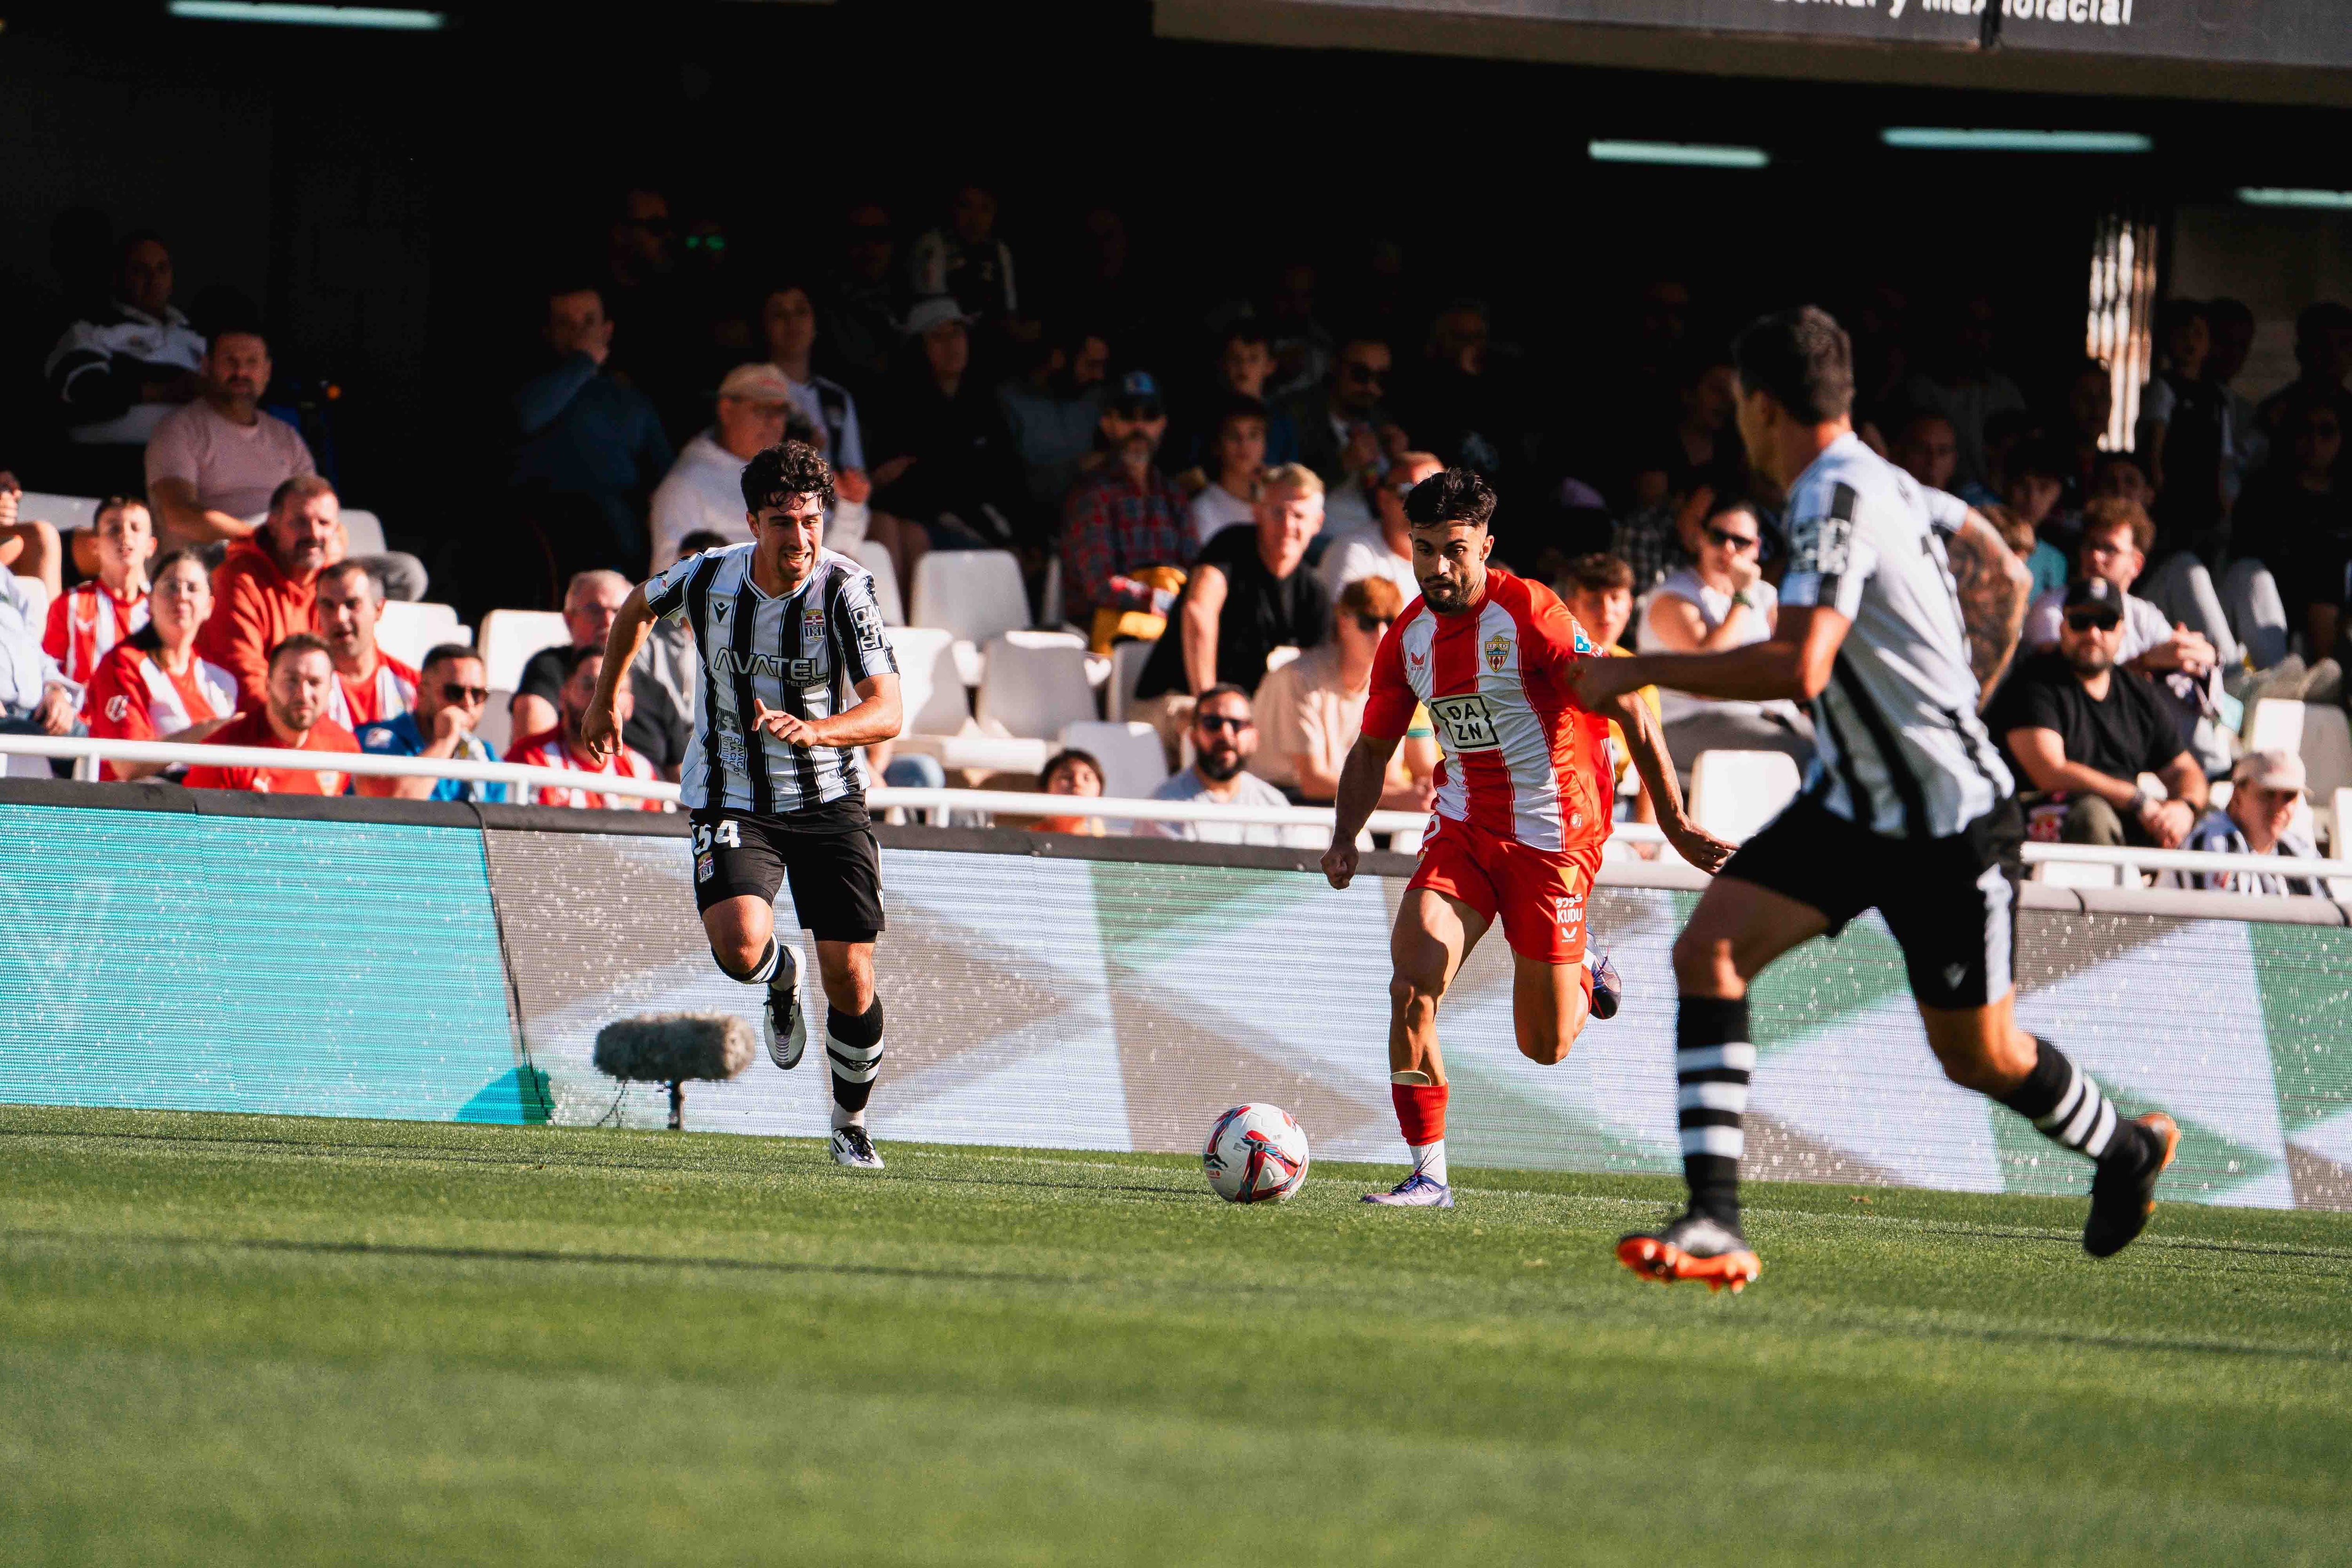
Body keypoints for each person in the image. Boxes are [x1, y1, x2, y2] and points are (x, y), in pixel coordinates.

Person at [1567, 305, 2169, 1291]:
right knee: (1707, 949)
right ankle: (1715, 1218)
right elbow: (2005, 573)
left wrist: (1638, 670)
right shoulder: (1887, 480)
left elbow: (1802, 666)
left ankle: (2123, 1153)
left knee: (1981, 1054)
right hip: (1855, 804)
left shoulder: (1827, 495)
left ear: (1762, 407)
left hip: (1945, 821)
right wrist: (1941, 691)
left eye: (1738, 409)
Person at [1323, 468, 1732, 1210]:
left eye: (1454, 549)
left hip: (1554, 838)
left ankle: (1583, 968)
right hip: (1464, 829)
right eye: (1422, 550)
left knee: (1544, 1048)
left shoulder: (1532, 615)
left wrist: (1674, 823)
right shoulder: (1408, 638)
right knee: (1411, 983)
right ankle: (1429, 1175)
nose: (1437, 567)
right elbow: (1372, 750)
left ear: (1486, 544)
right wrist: (1346, 835)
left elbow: (1633, 707)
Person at [585, 439, 905, 1172]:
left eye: (811, 521)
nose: (801, 540)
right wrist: (606, 699)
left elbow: (887, 710)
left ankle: (850, 1122)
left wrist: (820, 730)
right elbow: (638, 602)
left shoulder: (846, 591)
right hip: (732, 792)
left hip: (828, 798)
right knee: (737, 948)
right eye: (783, 523)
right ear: (753, 522)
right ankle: (777, 976)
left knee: (853, 977)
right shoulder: (708, 578)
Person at [1992, 578, 2208, 850]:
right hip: (2040, 819)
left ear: (2122, 631)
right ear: (2062, 628)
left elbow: (2184, 770)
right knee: (2093, 816)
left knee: (2209, 829)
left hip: (2125, 819)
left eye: (2105, 623)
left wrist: (2184, 808)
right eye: (2081, 621)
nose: (2093, 634)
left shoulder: (2138, 692)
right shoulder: (2034, 683)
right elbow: (2049, 771)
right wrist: (2136, 798)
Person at [1134, 464, 1334, 756]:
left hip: (1251, 721)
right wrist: (1211, 710)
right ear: (1257, 512)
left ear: (1318, 523)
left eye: (1300, 516)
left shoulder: (1312, 593)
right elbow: (1198, 611)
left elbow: (1318, 675)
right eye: (1278, 512)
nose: (1288, 526)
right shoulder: (1229, 546)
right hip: (1175, 702)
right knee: (1216, 730)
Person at [1634, 494, 1814, 774]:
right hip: (1691, 722)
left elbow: (1789, 661)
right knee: (1805, 759)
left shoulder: (1766, 595)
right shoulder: (1671, 597)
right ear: (1701, 539)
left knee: (1838, 752)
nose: (1728, 549)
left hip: (1771, 716)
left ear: (1756, 548)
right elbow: (1709, 670)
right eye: (1718, 537)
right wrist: (1742, 596)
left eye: (1740, 542)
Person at [511, 283, 675, 578]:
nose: (579, 333)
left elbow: (666, 473)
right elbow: (527, 417)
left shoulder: (630, 397)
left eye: (589, 321)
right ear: (548, 332)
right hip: (546, 532)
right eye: (565, 323)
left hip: (621, 536)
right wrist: (584, 363)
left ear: (607, 330)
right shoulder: (529, 384)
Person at [43, 230, 207, 494]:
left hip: (190, 468)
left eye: (162, 269)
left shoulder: (196, 337)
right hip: (108, 467)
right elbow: (84, 391)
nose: (153, 280)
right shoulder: (90, 331)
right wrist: (167, 391)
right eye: (140, 271)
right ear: (118, 277)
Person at [1252, 575, 1433, 809]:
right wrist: (1397, 799)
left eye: (1391, 621)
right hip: (1278, 800)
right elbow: (1312, 781)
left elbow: (1389, 777)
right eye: (1368, 622)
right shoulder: (1300, 678)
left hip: (1342, 802)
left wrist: (1423, 795)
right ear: (1343, 622)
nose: (1381, 633)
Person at [868, 297, 1027, 555]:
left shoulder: (986, 404)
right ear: (920, 348)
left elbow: (1008, 477)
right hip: (932, 526)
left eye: (957, 333)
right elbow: (904, 487)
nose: (951, 345)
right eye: (938, 337)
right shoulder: (901, 410)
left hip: (993, 532)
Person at [144, 324, 315, 550]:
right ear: (207, 367)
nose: (241, 372)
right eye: (229, 361)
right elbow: (179, 515)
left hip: (284, 562)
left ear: (267, 371)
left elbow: (320, 508)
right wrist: (262, 542)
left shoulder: (287, 437)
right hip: (211, 571)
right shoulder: (179, 430)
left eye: (252, 362)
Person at [511, 570, 691, 779]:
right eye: (594, 610)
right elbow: (534, 760)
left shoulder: (655, 690)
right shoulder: (549, 668)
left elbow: (682, 781)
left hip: (650, 805)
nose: (608, 621)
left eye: (620, 611)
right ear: (569, 620)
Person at [81, 548, 238, 781]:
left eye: (192, 589)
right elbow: (126, 765)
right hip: (132, 809)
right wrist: (204, 734)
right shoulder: (124, 664)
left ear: (209, 606)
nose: (181, 596)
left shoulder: (222, 678)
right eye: (171, 587)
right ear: (150, 601)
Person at [1061, 371, 1189, 647]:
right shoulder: (1091, 494)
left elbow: (1193, 567)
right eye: (1128, 415)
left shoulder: (1174, 495)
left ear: (1163, 424)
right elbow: (1100, 584)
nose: (1139, 426)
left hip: (1169, 626)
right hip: (1101, 635)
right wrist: (1162, 600)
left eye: (1150, 415)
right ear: (1108, 425)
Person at [196, 475, 338, 710]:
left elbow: (355, 667)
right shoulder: (238, 581)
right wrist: (297, 731)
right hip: (258, 727)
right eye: (301, 522)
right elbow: (242, 678)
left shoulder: (335, 585)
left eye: (324, 523)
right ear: (273, 525)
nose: (314, 534)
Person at [649, 362, 794, 570]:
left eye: (780, 411)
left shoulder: (787, 473)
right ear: (726, 410)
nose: (774, 422)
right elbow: (667, 585)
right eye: (762, 409)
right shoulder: (687, 484)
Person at [1557, 552, 1663, 836]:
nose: (1606, 613)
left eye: (1615, 599)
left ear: (1630, 605)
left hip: (1618, 812)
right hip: (1556, 810)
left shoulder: (1639, 676)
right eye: (1593, 601)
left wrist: (1646, 834)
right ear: (1570, 606)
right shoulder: (1550, 666)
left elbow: (1651, 766)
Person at [1137, 685, 1319, 849]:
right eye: (1213, 724)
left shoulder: (1274, 805)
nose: (1225, 734)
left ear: (1254, 738)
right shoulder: (1163, 808)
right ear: (1193, 737)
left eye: (1236, 724)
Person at [181, 633, 361, 795]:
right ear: (268, 684)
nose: (303, 694)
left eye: (315, 683)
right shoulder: (223, 754)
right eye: (291, 680)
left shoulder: (343, 748)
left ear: (330, 688)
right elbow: (201, 829)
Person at [509, 647, 661, 811]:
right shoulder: (529, 759)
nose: (602, 700)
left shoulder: (640, 772)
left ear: (630, 705)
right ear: (563, 695)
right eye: (590, 686)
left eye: (615, 689)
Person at [356, 642, 507, 804]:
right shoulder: (380, 741)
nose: (468, 703)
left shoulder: (487, 756)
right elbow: (392, 809)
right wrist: (444, 742)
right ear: (422, 693)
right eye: (454, 692)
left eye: (478, 694)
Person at [2169, 748, 2322, 896]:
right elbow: (2222, 921)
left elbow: (2328, 915)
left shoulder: (2297, 850)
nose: (2278, 807)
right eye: (2268, 794)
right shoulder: (2210, 843)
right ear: (2237, 796)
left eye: (2289, 796)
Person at [999, 321, 1110, 514]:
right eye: (1091, 365)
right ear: (1058, 358)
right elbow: (1011, 488)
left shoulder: (1094, 398)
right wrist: (1077, 468)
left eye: (1102, 366)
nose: (1099, 375)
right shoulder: (1008, 403)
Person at [42, 496, 152, 685]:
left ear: (151, 546)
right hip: (83, 713)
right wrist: (56, 693)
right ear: (94, 545)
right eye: (114, 529)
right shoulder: (70, 603)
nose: (125, 536)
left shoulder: (161, 609)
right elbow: (47, 668)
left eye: (135, 528)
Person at [1317, 451, 1440, 604]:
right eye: (1409, 492)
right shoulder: (1352, 553)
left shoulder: (1460, 560)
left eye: (1436, 494)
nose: (1423, 503)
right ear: (1382, 499)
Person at [1285, 333, 1393, 496]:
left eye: (1382, 378)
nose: (1371, 387)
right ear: (1335, 366)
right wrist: (1341, 465)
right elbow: (1281, 490)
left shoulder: (1384, 423)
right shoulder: (1295, 416)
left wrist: (1399, 463)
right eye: (1360, 374)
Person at [314, 562, 417, 731]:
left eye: (352, 604)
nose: (339, 617)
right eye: (328, 605)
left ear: (379, 609)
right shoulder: (302, 687)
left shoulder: (412, 688)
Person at [1183, 398, 1267, 554]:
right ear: (1217, 446)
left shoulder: (1274, 504)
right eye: (1233, 436)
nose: (1244, 444)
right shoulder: (1203, 509)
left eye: (1254, 435)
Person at [1029, 748, 1106, 835]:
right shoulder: (1026, 842)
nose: (1078, 783)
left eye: (1087, 778)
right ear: (1043, 790)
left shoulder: (1105, 844)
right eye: (1067, 777)